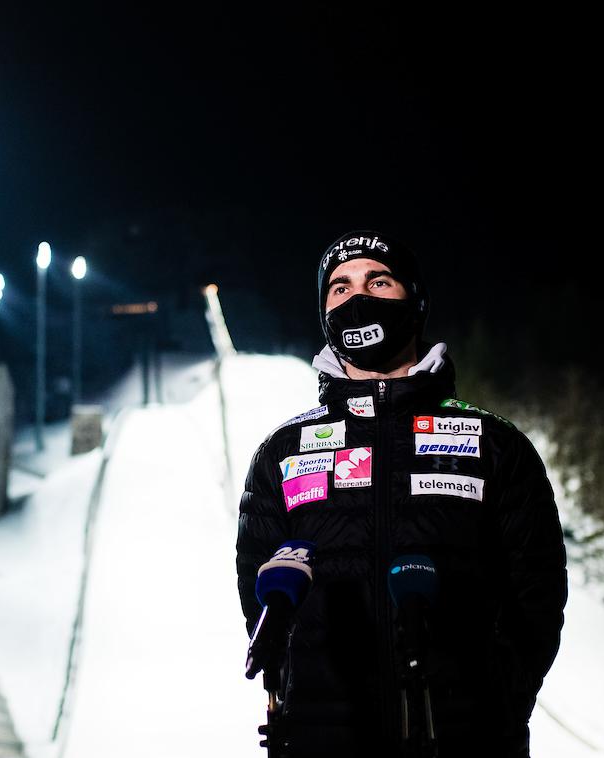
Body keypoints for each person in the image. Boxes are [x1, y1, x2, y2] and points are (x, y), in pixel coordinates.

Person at [236, 230, 567, 757]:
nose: (357, 296)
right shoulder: (282, 452)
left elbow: (537, 599)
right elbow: (261, 597)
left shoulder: (495, 445)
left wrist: (494, 706)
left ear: (415, 300)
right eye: (339, 287)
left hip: (464, 740)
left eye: (378, 280)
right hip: (325, 741)